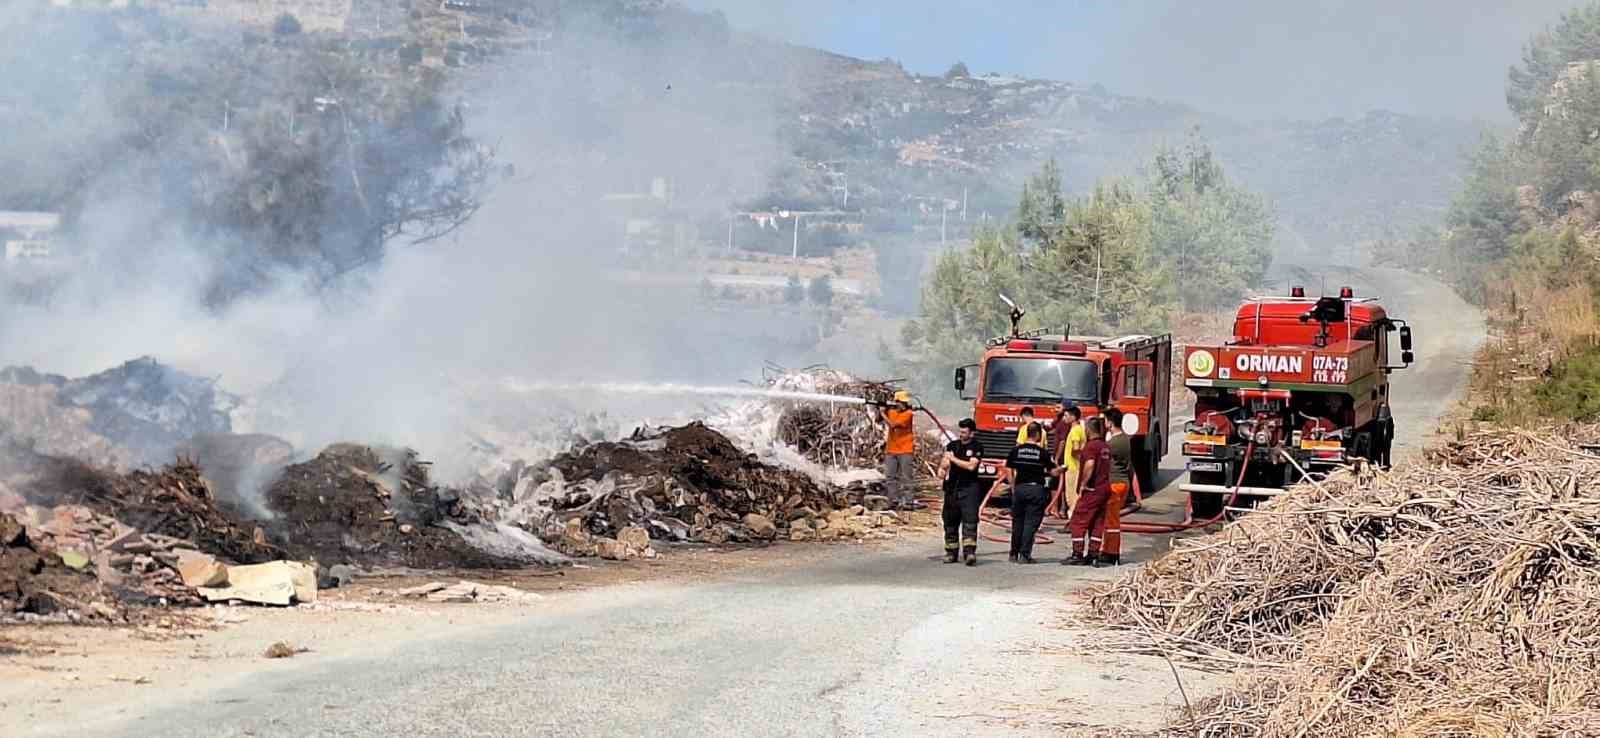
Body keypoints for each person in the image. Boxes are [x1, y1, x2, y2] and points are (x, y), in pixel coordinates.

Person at [997, 421, 1054, 564]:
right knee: (1031, 523)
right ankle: (1024, 554)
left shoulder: (1016, 450)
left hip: (1020, 489)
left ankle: (1013, 553)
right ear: (1038, 435)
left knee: (1017, 522)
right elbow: (1052, 470)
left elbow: (1007, 468)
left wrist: (1012, 484)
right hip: (1036, 490)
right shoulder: (1042, 453)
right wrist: (1061, 470)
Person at [1064, 417, 1113, 566]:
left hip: (1092, 490)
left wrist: (1083, 484)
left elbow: (1090, 465)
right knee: (1098, 523)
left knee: (1078, 521)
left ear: (1089, 430)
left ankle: (1077, 554)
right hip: (1104, 489)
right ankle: (1093, 554)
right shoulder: (1105, 447)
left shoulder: (1091, 447)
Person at [939, 418, 984, 566]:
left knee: (970, 521)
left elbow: (971, 466)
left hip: (969, 488)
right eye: (960, 431)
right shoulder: (953, 445)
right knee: (950, 521)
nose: (961, 434)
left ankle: (969, 553)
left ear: (972, 433)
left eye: (964, 432)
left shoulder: (977, 447)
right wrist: (943, 467)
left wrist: (953, 459)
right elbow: (945, 462)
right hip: (952, 489)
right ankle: (951, 552)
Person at [1100, 408, 1135, 566]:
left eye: (1105, 420)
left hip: (1115, 484)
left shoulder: (1114, 443)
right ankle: (1108, 550)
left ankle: (1111, 553)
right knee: (1110, 520)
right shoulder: (1125, 439)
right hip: (1121, 482)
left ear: (1110, 422)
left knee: (1112, 521)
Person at [880, 390, 921, 511]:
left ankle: (908, 502)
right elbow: (879, 419)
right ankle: (893, 501)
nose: (903, 404)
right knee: (890, 477)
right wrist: (881, 409)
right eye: (901, 402)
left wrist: (883, 413)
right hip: (891, 450)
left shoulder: (908, 414)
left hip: (905, 450)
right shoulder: (891, 411)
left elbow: (893, 425)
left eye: (904, 402)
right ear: (896, 402)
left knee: (906, 477)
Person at [1054, 405, 1086, 521]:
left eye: (1066, 415)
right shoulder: (1075, 429)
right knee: (1071, 496)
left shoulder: (1076, 430)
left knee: (1071, 497)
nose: (1064, 418)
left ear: (1073, 417)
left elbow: (1076, 449)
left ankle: (1073, 521)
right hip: (1072, 467)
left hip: (1073, 468)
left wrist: (1068, 463)